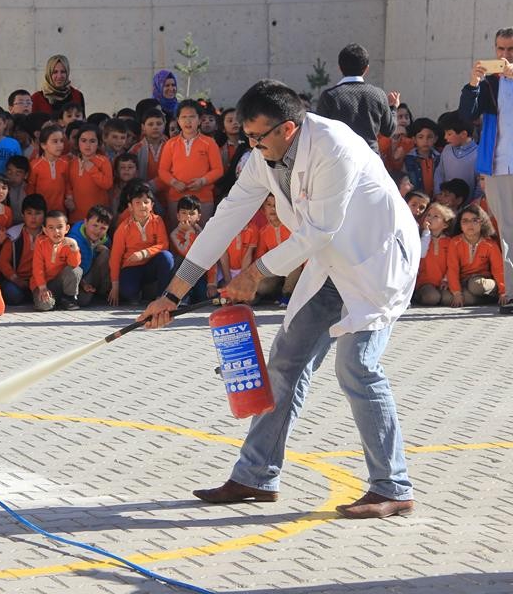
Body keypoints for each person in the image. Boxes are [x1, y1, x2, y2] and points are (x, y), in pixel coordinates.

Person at [139, 80, 419, 519]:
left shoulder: (334, 146)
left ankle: (393, 486)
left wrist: (254, 274)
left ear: (288, 128)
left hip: (376, 261)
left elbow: (319, 230)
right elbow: (226, 218)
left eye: (258, 136)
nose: (251, 146)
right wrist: (173, 293)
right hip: (330, 264)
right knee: (285, 361)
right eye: (247, 136)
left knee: (357, 366)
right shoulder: (263, 157)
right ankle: (256, 475)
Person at [458, 26, 513, 313]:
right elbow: (467, 114)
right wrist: (473, 83)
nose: (505, 55)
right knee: (507, 230)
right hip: (497, 164)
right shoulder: (490, 82)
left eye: (511, 49)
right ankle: (512, 293)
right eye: (500, 49)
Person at [315, 43, 397, 153]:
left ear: (340, 68)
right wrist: (393, 108)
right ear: (366, 69)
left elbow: (319, 132)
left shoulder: (330, 96)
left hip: (341, 158)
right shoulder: (378, 94)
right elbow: (389, 130)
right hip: (370, 157)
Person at [159, 99, 224, 226]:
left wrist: (202, 181)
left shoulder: (209, 143)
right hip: (176, 198)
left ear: (199, 120)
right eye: (184, 117)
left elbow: (218, 170)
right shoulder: (170, 144)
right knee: (177, 233)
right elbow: (162, 171)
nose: (188, 121)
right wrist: (174, 183)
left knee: (203, 233)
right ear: (178, 120)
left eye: (192, 117)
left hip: (203, 198)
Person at [108, 182, 173, 306]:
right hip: (131, 267)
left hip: (151, 265)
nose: (142, 206)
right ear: (130, 207)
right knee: (127, 292)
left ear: (152, 205)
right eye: (137, 202)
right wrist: (115, 286)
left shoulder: (158, 221)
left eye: (146, 202)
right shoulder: (123, 227)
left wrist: (144, 253)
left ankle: (162, 296)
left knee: (167, 257)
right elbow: (115, 257)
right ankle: (138, 292)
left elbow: (163, 245)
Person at [447, 203, 505, 307]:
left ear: (482, 223)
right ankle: (487, 299)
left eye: (475, 220)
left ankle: (495, 293)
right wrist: (457, 293)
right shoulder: (455, 242)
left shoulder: (490, 243)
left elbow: (498, 268)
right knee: (445, 298)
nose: (470, 224)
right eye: (465, 221)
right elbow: (452, 268)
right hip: (463, 281)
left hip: (481, 281)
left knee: (476, 285)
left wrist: (503, 291)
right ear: (460, 225)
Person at [0, 193, 46, 305]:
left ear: (44, 215)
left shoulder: (49, 235)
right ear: (22, 215)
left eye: (38, 213)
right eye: (29, 213)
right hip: (17, 280)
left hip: (41, 280)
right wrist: (16, 279)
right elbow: (3, 262)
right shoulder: (13, 235)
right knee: (12, 294)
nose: (33, 217)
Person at [31, 210, 82, 311]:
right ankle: (55, 301)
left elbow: (74, 264)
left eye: (60, 227)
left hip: (61, 283)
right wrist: (42, 287)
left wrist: (74, 248)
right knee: (45, 305)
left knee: (76, 270)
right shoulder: (41, 242)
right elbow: (37, 267)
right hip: (43, 284)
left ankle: (69, 299)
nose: (56, 231)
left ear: (67, 228)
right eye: (51, 228)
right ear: (45, 230)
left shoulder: (69, 243)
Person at [66, 124, 113, 223]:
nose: (88, 145)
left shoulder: (103, 161)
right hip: (76, 215)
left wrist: (92, 169)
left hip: (97, 217)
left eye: (92, 141)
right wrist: (69, 198)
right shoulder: (72, 162)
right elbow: (68, 184)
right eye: (83, 141)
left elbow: (108, 184)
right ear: (78, 143)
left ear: (98, 143)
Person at [68, 204, 112, 307]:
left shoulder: (105, 240)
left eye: (103, 228)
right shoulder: (74, 239)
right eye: (95, 225)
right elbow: (71, 267)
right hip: (78, 277)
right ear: (86, 222)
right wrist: (82, 283)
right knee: (83, 300)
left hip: (92, 273)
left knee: (106, 253)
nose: (98, 231)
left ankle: (103, 292)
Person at [414, 202, 454, 306]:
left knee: (448, 299)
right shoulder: (422, 238)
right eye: (428, 215)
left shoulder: (450, 242)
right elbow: (421, 253)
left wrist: (446, 280)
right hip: (424, 282)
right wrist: (426, 232)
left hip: (442, 282)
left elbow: (452, 264)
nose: (430, 218)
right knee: (432, 298)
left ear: (445, 224)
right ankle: (416, 295)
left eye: (436, 216)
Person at [435, 111, 479, 198]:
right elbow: (439, 173)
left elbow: (480, 183)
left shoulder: (478, 153)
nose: (445, 137)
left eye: (449, 134)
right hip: (445, 202)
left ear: (463, 134)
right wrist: (438, 193)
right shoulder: (447, 149)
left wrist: (475, 201)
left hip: (469, 203)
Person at [27, 124, 69, 213]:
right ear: (43, 145)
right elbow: (30, 189)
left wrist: (69, 198)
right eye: (55, 141)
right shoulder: (34, 165)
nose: (60, 145)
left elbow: (69, 185)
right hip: (41, 212)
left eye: (61, 141)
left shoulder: (66, 163)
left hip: (61, 212)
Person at [402, 118, 441, 196]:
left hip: (436, 198)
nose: (425, 141)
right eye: (420, 137)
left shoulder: (440, 158)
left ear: (435, 139)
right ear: (414, 139)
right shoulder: (408, 159)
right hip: (415, 198)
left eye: (429, 137)